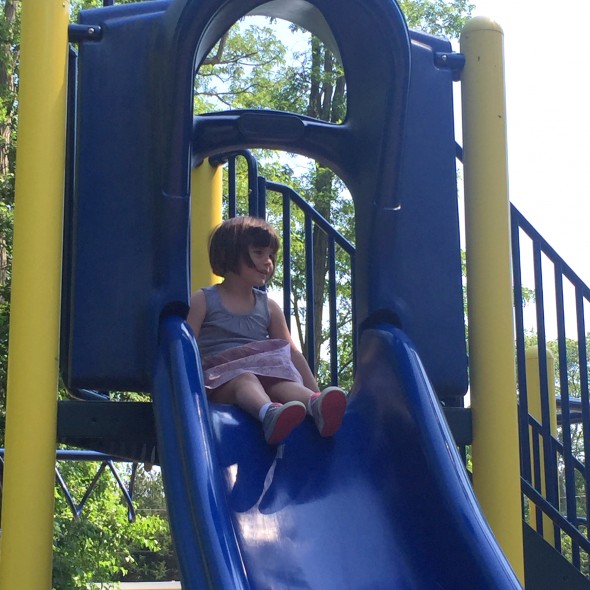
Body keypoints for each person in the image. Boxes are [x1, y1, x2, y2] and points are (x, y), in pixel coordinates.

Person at [187, 215, 347, 445]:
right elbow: (185, 350)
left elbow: (293, 353)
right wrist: (187, 393)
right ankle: (268, 414)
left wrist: (317, 391)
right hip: (219, 384)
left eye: (271, 255)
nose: (268, 262)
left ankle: (317, 406)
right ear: (230, 252)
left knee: (282, 384)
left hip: (263, 379)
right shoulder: (203, 300)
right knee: (246, 379)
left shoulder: (269, 307)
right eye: (259, 253)